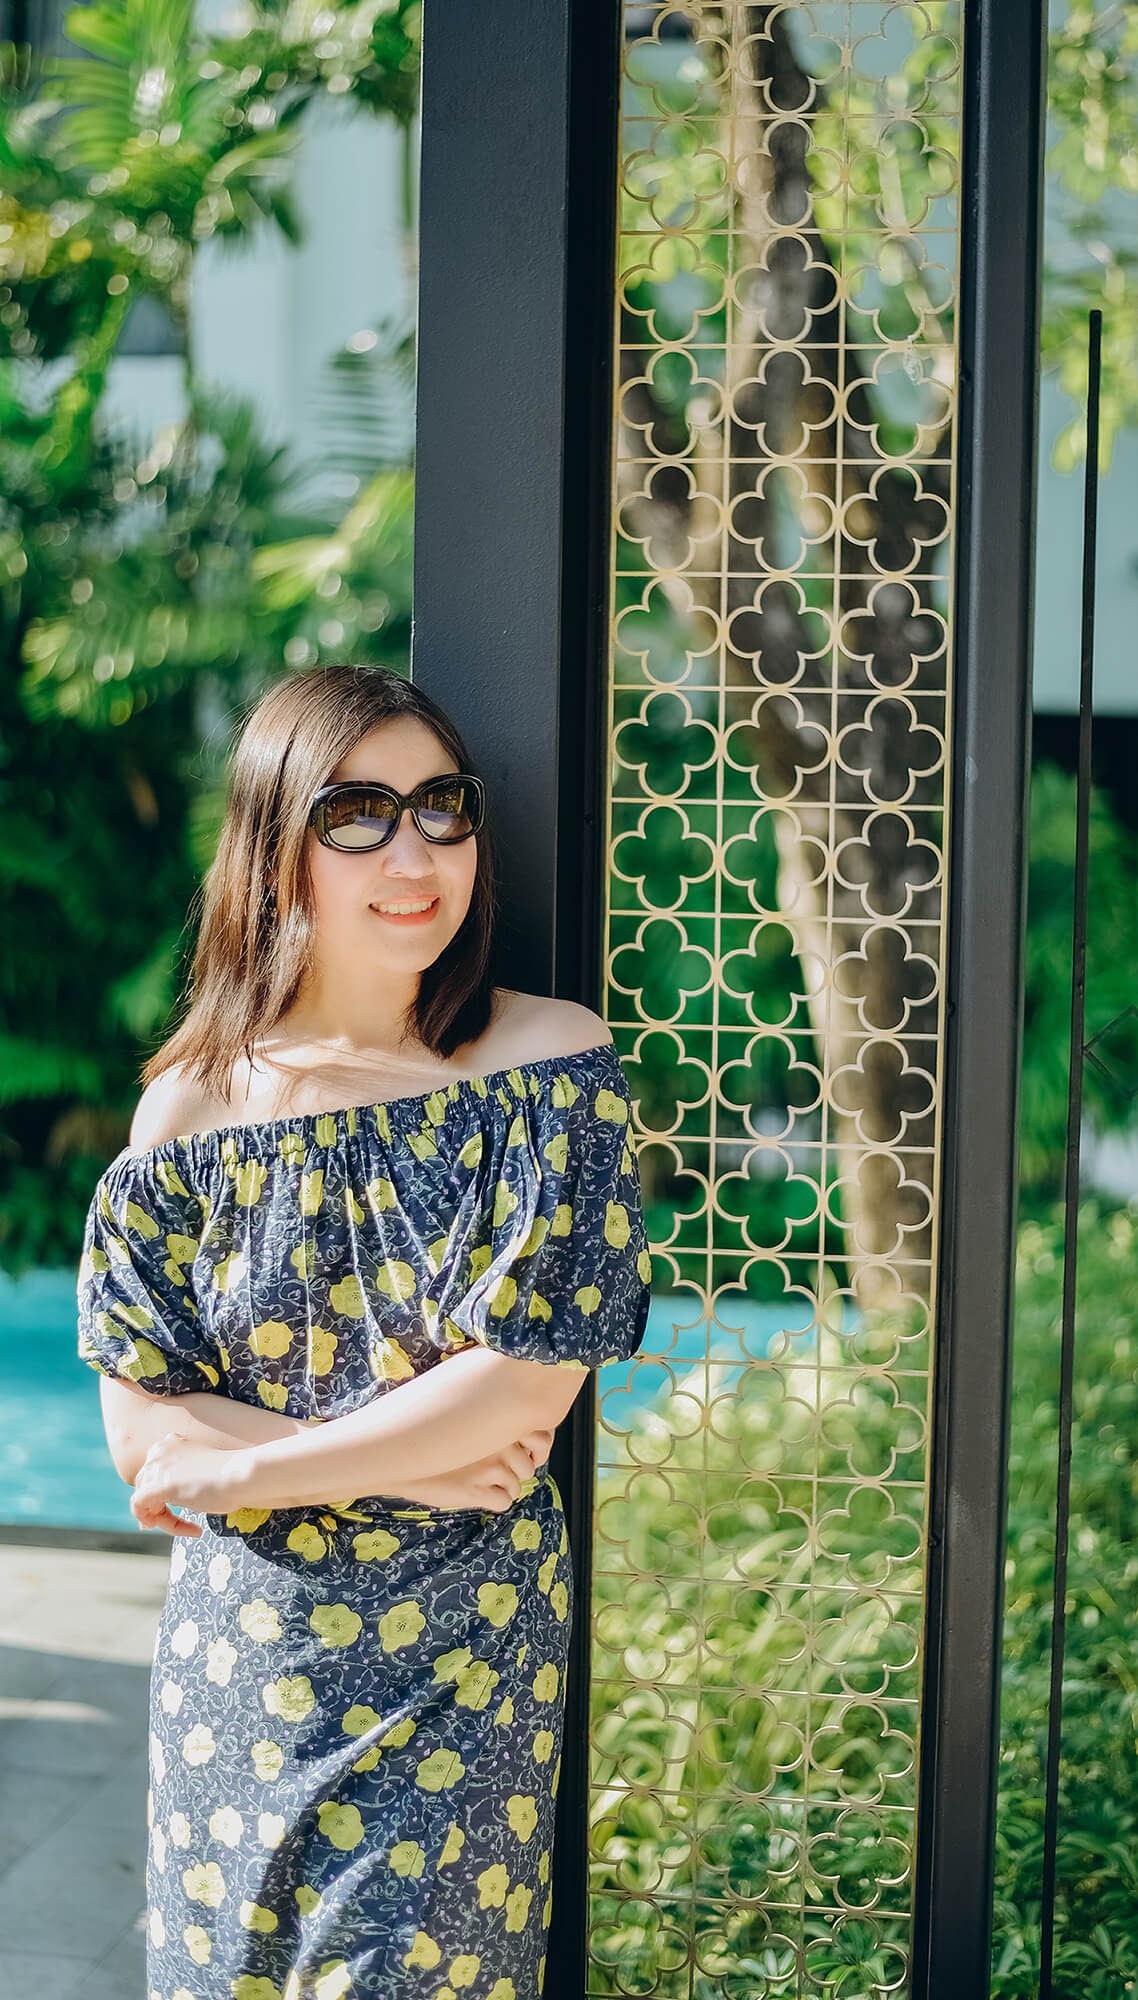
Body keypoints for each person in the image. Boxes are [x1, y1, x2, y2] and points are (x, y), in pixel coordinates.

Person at [74, 662, 652, 2000]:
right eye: (361, 814)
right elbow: (141, 1431)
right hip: (243, 1664)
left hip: (463, 1665)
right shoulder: (190, 1113)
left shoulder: (547, 1067)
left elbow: (527, 1388)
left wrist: (247, 1472)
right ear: (280, 852)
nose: (415, 850)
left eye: (442, 808)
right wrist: (401, 1457)